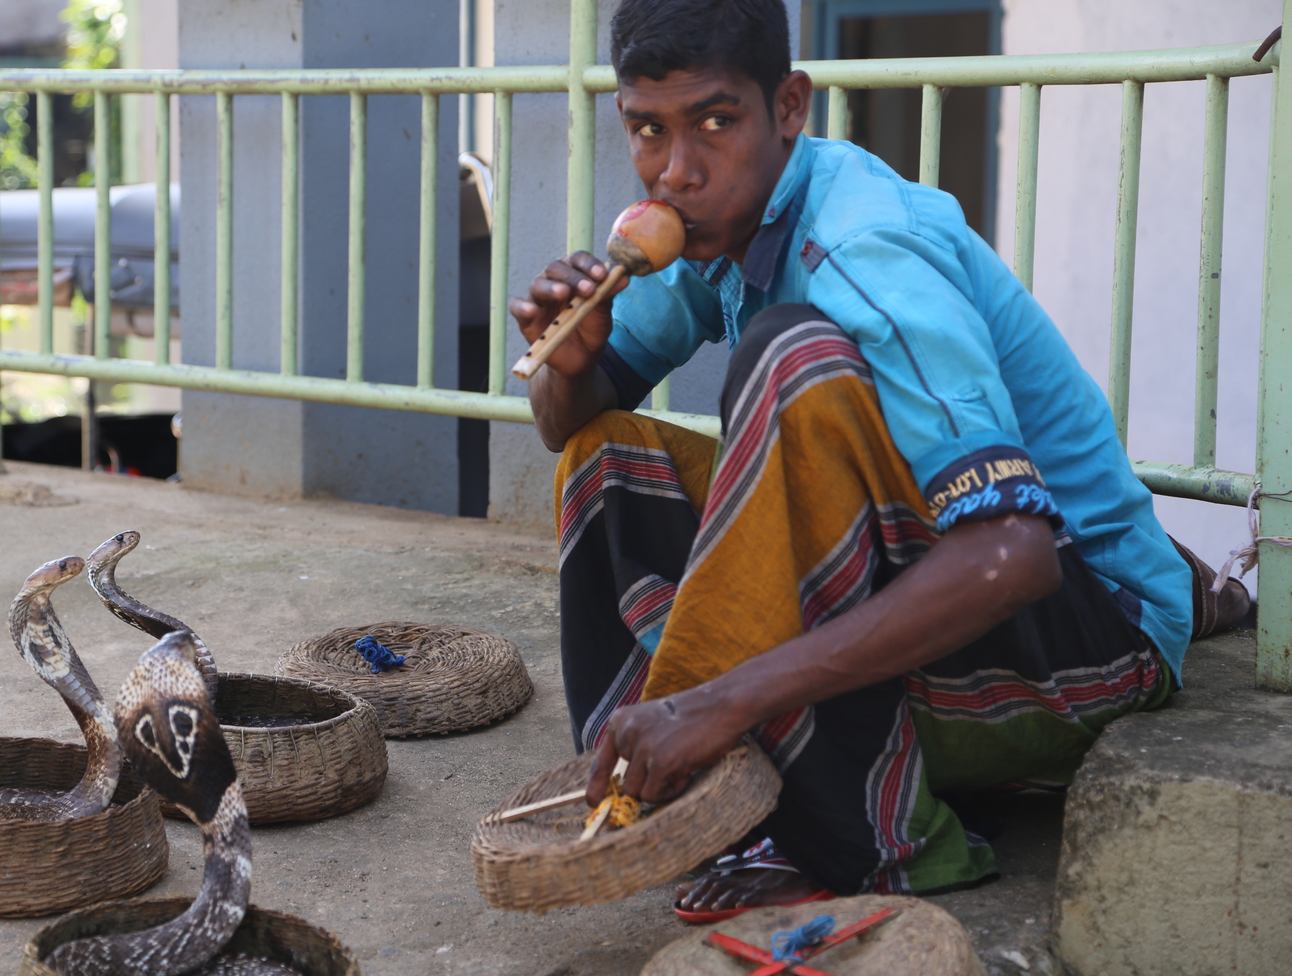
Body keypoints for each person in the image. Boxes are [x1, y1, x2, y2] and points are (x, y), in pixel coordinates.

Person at [510, 0, 1249, 922]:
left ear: (788, 107)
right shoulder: (707, 231)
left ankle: (864, 832)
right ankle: (687, 787)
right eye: (647, 131)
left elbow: (1012, 555)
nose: (677, 170)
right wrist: (567, 366)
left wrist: (728, 698)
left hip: (1095, 647)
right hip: (945, 597)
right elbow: (565, 423)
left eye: (715, 122)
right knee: (607, 451)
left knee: (791, 361)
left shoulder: (865, 246)